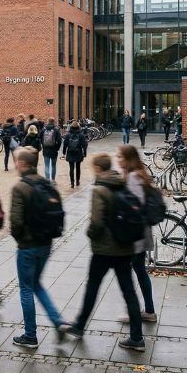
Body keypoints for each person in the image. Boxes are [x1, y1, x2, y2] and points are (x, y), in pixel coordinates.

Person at [61, 152, 147, 351]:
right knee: (129, 292)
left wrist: (90, 233)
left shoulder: (100, 189)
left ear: (98, 169)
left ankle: (80, 325)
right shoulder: (121, 182)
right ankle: (137, 337)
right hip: (125, 246)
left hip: (104, 250)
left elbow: (97, 222)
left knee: (92, 287)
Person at [10, 147, 67, 348]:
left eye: (17, 161)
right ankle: (57, 321)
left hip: (28, 245)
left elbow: (15, 222)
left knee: (26, 289)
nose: (15, 164)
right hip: (46, 242)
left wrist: (19, 238)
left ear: (23, 164)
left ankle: (30, 335)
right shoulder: (46, 183)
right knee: (36, 284)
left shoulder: (20, 188)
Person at [116, 145, 157, 324]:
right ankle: (149, 311)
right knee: (140, 271)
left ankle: (134, 312)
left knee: (128, 273)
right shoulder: (139, 173)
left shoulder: (133, 177)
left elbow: (135, 205)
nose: (117, 159)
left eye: (119, 156)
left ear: (128, 158)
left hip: (135, 234)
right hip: (140, 231)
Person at [62, 121, 88, 188]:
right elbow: (84, 145)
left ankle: (72, 183)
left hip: (70, 152)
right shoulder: (81, 135)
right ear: (78, 127)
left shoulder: (68, 135)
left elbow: (65, 145)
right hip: (78, 152)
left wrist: (64, 153)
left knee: (71, 168)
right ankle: (77, 181)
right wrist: (85, 153)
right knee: (78, 167)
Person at [40, 118, 62, 182]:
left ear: (48, 121)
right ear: (53, 122)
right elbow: (59, 141)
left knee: (46, 165)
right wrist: (57, 148)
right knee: (54, 165)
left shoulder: (43, 129)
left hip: (46, 150)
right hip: (54, 150)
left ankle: (47, 180)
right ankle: (53, 179)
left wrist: (43, 145)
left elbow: (40, 138)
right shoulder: (56, 130)